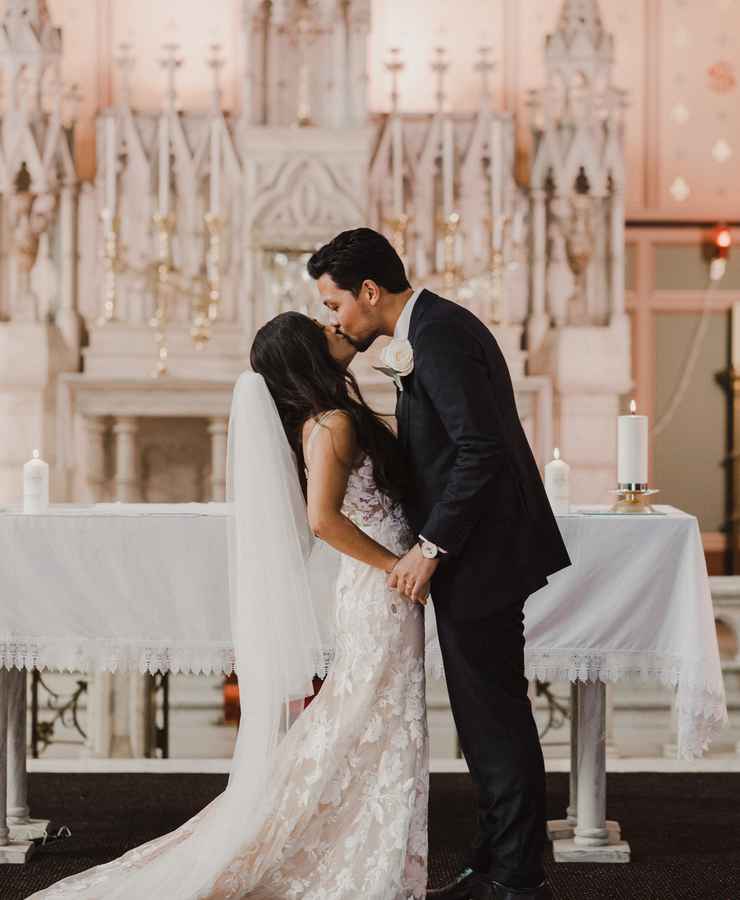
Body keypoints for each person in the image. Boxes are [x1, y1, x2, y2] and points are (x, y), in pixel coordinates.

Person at [27, 313, 429, 899]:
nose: (333, 328)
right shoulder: (335, 423)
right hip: (380, 587)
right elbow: (322, 520)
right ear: (306, 356)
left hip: (373, 588)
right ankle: (349, 847)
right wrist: (396, 565)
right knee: (378, 719)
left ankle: (370, 842)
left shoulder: (327, 420)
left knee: (372, 719)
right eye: (321, 330)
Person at [308, 227, 572, 900]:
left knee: (494, 718)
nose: (333, 318)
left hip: (480, 553)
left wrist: (430, 548)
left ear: (370, 292)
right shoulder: (427, 330)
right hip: (477, 551)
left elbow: (480, 448)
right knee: (485, 717)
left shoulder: (440, 335)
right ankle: (495, 860)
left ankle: (517, 879)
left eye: (335, 303)